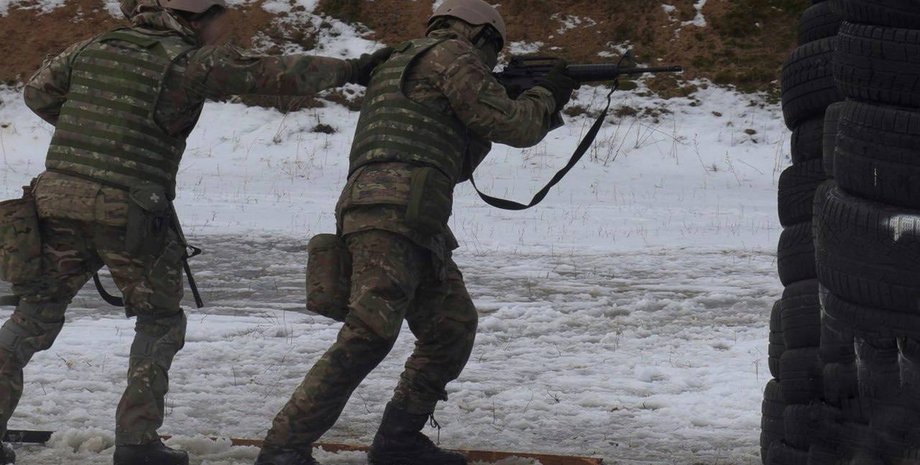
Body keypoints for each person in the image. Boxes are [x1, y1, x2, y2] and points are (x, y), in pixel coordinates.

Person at [0, 0, 391, 463]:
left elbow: (38, 94)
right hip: (130, 210)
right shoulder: (187, 61)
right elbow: (272, 73)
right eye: (218, 19)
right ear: (195, 19)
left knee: (34, 313)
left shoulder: (93, 46)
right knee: (159, 321)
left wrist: (95, 135)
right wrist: (355, 67)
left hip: (57, 197)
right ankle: (137, 443)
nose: (222, 28)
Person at [254, 1, 578, 464]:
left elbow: (457, 162)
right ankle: (284, 448)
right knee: (368, 334)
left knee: (451, 327)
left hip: (412, 214)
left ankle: (398, 440)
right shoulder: (453, 57)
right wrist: (547, 96)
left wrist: (497, 112)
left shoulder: (402, 60)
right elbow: (518, 126)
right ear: (482, 36)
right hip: (393, 213)